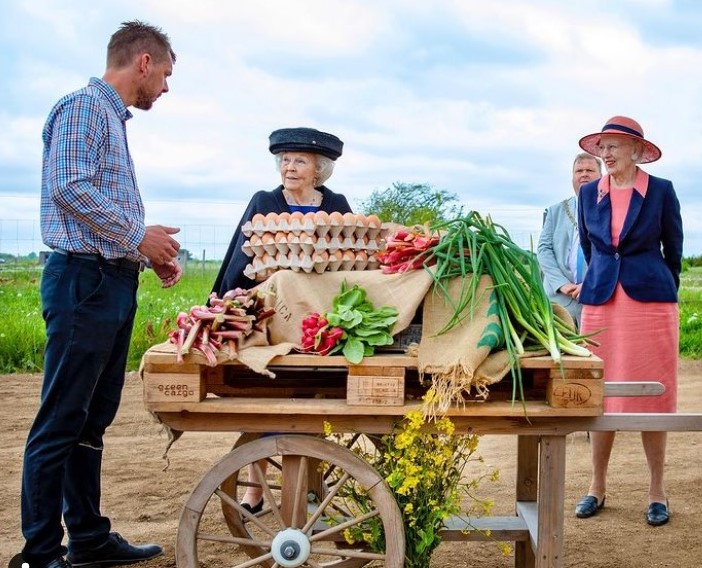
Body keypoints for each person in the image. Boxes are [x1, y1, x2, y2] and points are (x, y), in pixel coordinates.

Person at [22, 21, 183, 568]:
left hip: (109, 278)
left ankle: (87, 537)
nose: (164, 87)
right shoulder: (83, 107)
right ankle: (41, 553)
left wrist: (144, 252)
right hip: (83, 282)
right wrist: (137, 236)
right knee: (61, 419)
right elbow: (70, 187)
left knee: (91, 419)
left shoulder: (110, 120)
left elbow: (93, 202)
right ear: (142, 62)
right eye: (164, 74)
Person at [212, 127, 352, 512]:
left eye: (299, 161)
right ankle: (255, 486)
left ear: (319, 168)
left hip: (320, 320)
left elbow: (354, 257)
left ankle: (311, 480)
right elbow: (240, 261)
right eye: (285, 160)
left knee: (314, 401)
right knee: (266, 400)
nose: (289, 168)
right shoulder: (266, 201)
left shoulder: (336, 203)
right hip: (274, 316)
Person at [574, 116, 683, 526]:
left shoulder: (661, 191)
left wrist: (659, 285)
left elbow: (674, 248)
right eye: (602, 146)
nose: (606, 153)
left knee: (653, 395)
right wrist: (601, 280)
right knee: (600, 393)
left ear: (637, 151)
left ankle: (657, 490)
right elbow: (590, 247)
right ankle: (596, 486)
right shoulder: (589, 194)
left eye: (614, 145)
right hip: (601, 302)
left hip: (651, 306)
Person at [537, 153, 602, 327]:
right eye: (579, 171)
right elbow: (544, 250)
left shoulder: (611, 209)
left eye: (590, 170)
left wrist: (589, 283)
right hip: (558, 299)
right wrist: (562, 284)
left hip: (596, 297)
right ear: (573, 177)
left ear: (602, 176)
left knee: (596, 351)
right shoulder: (555, 211)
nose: (584, 174)